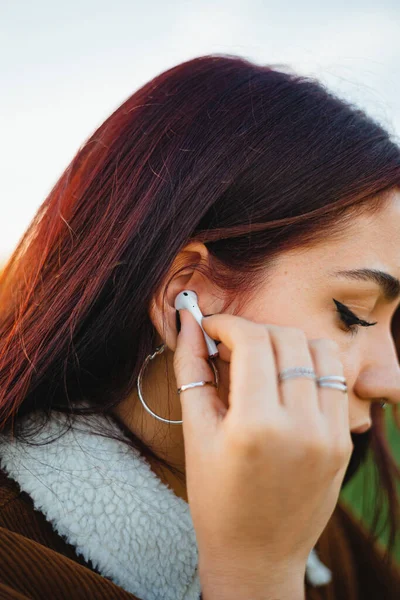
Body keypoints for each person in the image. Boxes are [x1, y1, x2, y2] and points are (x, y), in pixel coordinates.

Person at [0, 53, 399, 600]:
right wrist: (257, 576)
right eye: (353, 314)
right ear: (185, 299)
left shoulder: (317, 531)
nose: (390, 382)